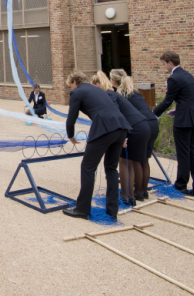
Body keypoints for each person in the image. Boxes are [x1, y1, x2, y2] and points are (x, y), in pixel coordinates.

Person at [62, 70, 131, 220]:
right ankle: (112, 209)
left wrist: (71, 135)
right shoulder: (98, 89)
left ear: (74, 82)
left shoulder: (77, 93)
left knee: (88, 167)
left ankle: (82, 209)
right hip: (121, 127)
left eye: (70, 85)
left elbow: (71, 118)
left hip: (104, 128)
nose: (71, 89)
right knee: (111, 168)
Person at [91, 71, 150, 206]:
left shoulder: (109, 95)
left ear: (98, 85)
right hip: (143, 125)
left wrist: (124, 136)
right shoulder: (115, 93)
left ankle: (126, 196)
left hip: (135, 128)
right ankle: (138, 193)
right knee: (136, 161)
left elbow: (116, 114)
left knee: (124, 162)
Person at [153, 51, 194, 198]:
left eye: (164, 63)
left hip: (184, 121)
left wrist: (152, 114)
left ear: (170, 62)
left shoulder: (174, 78)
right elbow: (188, 98)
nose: (164, 67)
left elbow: (167, 101)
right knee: (193, 152)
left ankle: (181, 186)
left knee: (183, 153)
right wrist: (178, 109)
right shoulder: (188, 75)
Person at [111, 69, 159, 200]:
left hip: (139, 124)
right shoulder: (134, 92)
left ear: (114, 81)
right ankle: (143, 190)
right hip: (152, 123)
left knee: (133, 160)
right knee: (143, 159)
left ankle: (135, 192)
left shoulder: (122, 95)